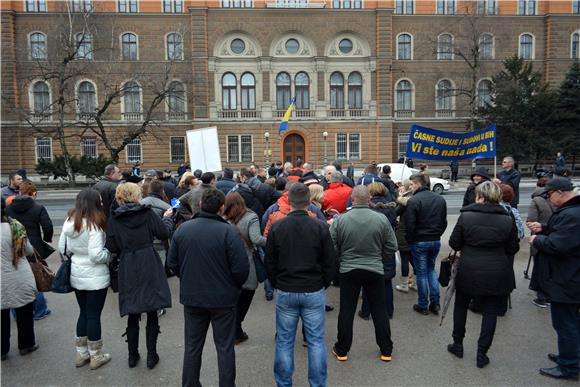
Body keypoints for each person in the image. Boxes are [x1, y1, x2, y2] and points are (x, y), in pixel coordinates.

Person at [168, 188, 249, 387]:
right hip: (223, 299)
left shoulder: (183, 230)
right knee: (224, 347)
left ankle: (190, 384)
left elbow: (173, 264)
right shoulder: (228, 231)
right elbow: (241, 269)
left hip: (193, 297)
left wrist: (187, 279)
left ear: (202, 204)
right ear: (222, 208)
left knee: (193, 346)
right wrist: (233, 287)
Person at [265, 183, 335, 387]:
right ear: (308, 203)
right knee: (315, 341)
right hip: (313, 289)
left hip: (287, 289)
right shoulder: (320, 226)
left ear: (291, 202)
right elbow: (330, 261)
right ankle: (317, 384)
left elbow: (270, 261)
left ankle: (284, 383)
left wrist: (277, 283)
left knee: (285, 341)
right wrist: (322, 283)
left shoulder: (278, 226)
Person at [448, 181, 520, 369]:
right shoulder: (507, 218)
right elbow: (513, 247)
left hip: (469, 268)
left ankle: (458, 344)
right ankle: (482, 353)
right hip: (497, 270)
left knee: (461, 306)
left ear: (479, 196)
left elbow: (454, 243)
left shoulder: (466, 216)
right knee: (490, 312)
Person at [106, 182, 173, 370]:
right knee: (152, 309)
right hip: (148, 261)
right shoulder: (147, 213)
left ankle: (132, 355)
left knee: (133, 310)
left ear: (120, 197)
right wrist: (167, 218)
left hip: (128, 263)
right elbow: (163, 233)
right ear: (137, 196)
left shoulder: (115, 218)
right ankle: (152, 355)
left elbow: (111, 246)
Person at [330, 185, 397, 362]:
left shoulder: (341, 220)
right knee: (379, 310)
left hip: (349, 270)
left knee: (346, 310)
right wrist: (379, 258)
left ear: (352, 199)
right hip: (374, 269)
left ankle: (342, 349)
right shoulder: (381, 219)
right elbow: (392, 246)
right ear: (369, 200)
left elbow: (332, 245)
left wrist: (341, 259)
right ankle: (386, 350)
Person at [528, 177, 580, 381]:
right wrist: (544, 228)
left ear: (560, 192)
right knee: (571, 322)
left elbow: (560, 245)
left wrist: (537, 239)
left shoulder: (572, 214)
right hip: (569, 277)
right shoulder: (572, 212)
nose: (549, 199)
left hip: (567, 279)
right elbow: (563, 235)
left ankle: (569, 367)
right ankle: (570, 355)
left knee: (565, 323)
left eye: (549, 195)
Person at [59, 189, 112, 370]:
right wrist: (109, 255)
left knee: (83, 312)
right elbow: (96, 255)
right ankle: (96, 355)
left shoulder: (69, 222)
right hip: (96, 276)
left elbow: (62, 248)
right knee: (93, 315)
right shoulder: (94, 225)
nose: (102, 203)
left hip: (77, 272)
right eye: (99, 200)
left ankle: (81, 354)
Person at [223, 191, 266, 345]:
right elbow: (256, 239)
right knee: (247, 295)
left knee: (234, 298)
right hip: (247, 261)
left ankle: (235, 330)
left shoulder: (222, 218)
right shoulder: (251, 217)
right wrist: (274, 239)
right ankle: (236, 330)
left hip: (228, 263)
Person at [7, 182, 54, 320]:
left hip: (14, 245)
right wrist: (47, 238)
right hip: (34, 246)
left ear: (20, 191)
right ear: (33, 192)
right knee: (35, 278)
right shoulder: (38, 207)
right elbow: (47, 226)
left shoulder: (9, 208)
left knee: (16, 278)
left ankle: (16, 313)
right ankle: (40, 310)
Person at [1, 198, 38, 361]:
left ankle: (2, 350)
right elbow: (28, 250)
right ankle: (26, 345)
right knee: (24, 313)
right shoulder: (15, 226)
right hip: (19, 276)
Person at [405, 173, 447, 315]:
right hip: (434, 240)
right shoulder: (440, 199)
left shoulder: (414, 201)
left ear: (418, 184)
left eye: (411, 184)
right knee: (431, 270)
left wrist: (410, 240)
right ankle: (435, 303)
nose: (410, 187)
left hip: (419, 241)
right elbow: (444, 222)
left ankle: (423, 304)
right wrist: (437, 234)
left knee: (422, 273)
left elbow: (409, 225)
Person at [358, 182, 397, 321]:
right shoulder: (392, 208)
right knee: (386, 282)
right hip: (386, 248)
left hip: (370, 248)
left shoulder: (366, 209)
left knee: (368, 283)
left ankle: (366, 311)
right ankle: (388, 311)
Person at [526, 177, 555, 308]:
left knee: (540, 268)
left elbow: (531, 221)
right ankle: (551, 295)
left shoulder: (536, 200)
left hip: (540, 238)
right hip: (556, 238)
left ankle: (542, 297)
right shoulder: (557, 199)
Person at [394, 180, 416, 293]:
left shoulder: (405, 200)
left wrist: (399, 199)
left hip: (404, 232)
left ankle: (404, 284)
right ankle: (415, 283)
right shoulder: (416, 198)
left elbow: (396, 212)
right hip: (415, 233)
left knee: (405, 259)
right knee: (413, 258)